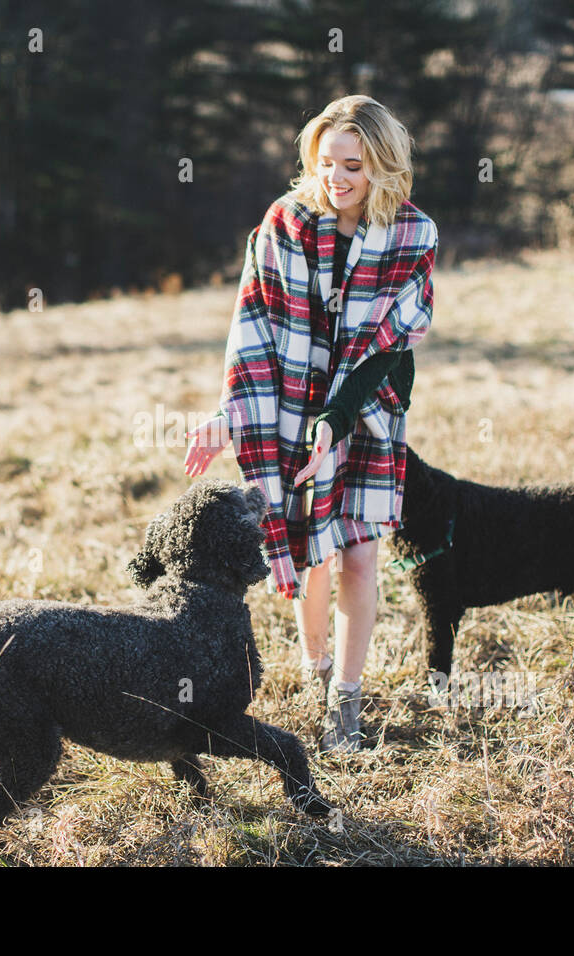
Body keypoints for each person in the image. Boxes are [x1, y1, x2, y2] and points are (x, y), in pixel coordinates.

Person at [183, 95, 437, 752]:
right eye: (327, 164)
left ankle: (346, 702)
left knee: (358, 556)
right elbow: (254, 324)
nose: (338, 179)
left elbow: (386, 348)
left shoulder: (412, 234)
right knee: (308, 554)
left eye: (353, 165)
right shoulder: (286, 223)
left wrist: (337, 421)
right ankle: (317, 668)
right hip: (291, 409)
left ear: (383, 165)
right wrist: (228, 413)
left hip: (368, 413)